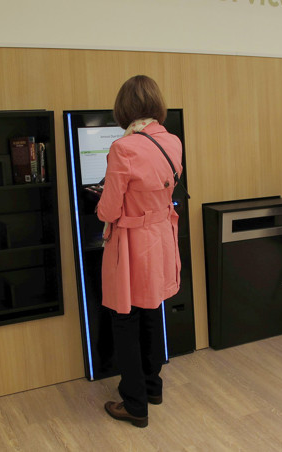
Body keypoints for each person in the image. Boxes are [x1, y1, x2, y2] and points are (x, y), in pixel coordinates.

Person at [97, 75, 182, 427]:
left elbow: (108, 211)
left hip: (132, 244)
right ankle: (152, 387)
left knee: (125, 319)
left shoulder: (123, 147)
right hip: (161, 237)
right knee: (151, 312)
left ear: (124, 108)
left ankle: (134, 404)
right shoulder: (172, 140)